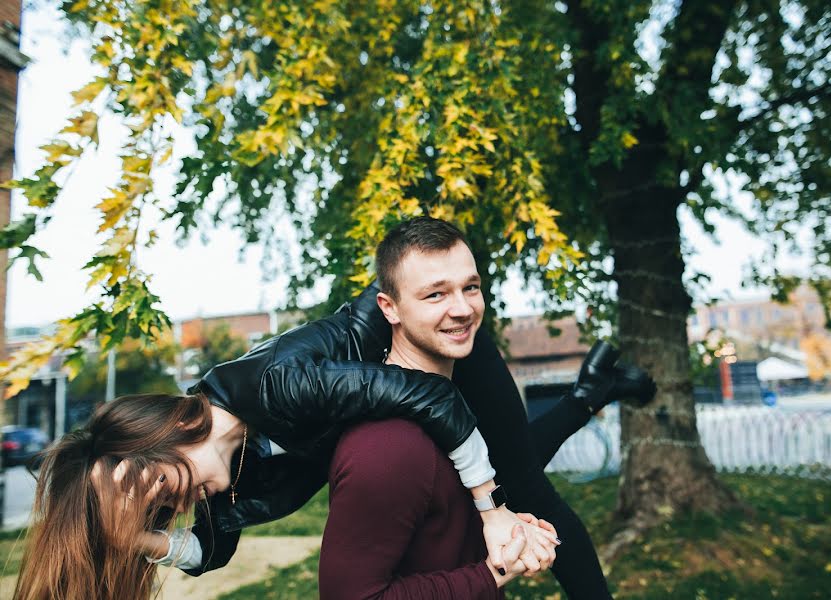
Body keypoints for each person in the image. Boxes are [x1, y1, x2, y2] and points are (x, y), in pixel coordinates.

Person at [14, 215, 654, 600]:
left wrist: (493, 513)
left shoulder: (275, 388)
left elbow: (426, 395)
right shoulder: (228, 478)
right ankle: (592, 393)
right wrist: (142, 537)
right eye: (157, 508)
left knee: (526, 488)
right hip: (401, 389)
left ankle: (588, 393)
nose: (172, 505)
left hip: (426, 339)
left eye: (157, 487)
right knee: (500, 470)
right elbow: (211, 551)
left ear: (160, 436)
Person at [319, 216, 556, 597]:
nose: (462, 309)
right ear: (390, 308)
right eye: (436, 294)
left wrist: (509, 533)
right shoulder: (388, 446)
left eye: (471, 287)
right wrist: (494, 572)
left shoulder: (449, 413)